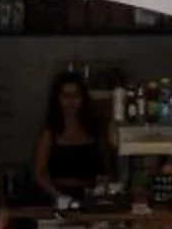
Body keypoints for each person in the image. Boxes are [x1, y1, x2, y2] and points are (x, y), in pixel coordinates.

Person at [31, 72, 117, 205]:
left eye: (76, 95)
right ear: (57, 99)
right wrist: (57, 195)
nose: (71, 101)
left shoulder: (94, 129)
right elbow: (38, 173)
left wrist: (103, 186)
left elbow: (106, 167)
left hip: (90, 196)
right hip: (58, 195)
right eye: (65, 96)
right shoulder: (51, 131)